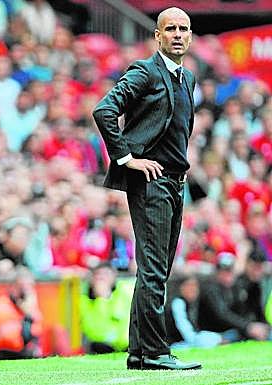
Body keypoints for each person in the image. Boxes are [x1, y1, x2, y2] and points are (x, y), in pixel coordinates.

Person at [92, 7, 201, 370]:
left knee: (157, 270)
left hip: (176, 183)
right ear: (157, 36)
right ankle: (156, 352)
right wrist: (126, 158)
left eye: (184, 28)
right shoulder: (145, 71)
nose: (178, 34)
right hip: (152, 182)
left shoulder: (187, 79)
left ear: (190, 35)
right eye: (170, 28)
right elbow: (104, 110)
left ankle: (139, 352)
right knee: (154, 269)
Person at [198, 252, 270, 342]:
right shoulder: (211, 288)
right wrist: (248, 326)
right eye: (223, 271)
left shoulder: (236, 285)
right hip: (214, 333)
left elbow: (248, 310)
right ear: (217, 272)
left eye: (229, 271)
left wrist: (259, 326)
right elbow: (222, 313)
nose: (227, 275)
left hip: (232, 329)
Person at [79, 263, 134, 354]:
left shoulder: (123, 293)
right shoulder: (84, 300)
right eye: (98, 275)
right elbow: (94, 332)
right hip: (99, 347)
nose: (102, 279)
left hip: (125, 346)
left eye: (105, 275)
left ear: (114, 277)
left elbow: (123, 323)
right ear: (92, 279)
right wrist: (101, 300)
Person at [166, 274, 223, 349]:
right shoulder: (178, 303)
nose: (193, 289)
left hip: (190, 339)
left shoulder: (193, 304)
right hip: (177, 343)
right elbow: (185, 329)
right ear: (182, 288)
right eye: (189, 286)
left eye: (195, 286)